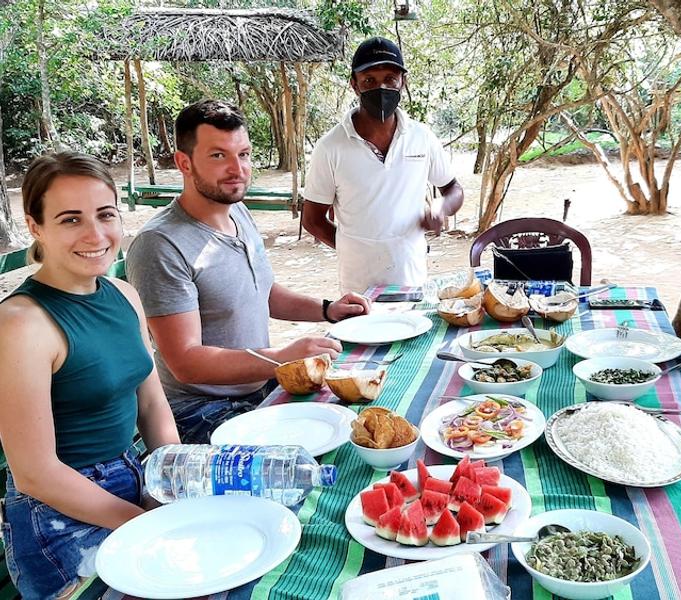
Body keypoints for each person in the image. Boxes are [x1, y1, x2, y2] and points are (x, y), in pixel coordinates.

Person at [125, 100, 370, 444]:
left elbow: (261, 292)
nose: (236, 169)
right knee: (312, 452)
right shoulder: (160, 244)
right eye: (217, 156)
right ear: (184, 163)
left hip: (258, 386)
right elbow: (186, 361)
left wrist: (327, 309)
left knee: (356, 417)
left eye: (243, 154)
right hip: (198, 409)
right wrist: (281, 359)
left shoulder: (236, 209)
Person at [0, 152, 180, 599]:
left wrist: (171, 479)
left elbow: (153, 404)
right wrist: (143, 521)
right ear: (35, 227)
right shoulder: (21, 324)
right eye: (70, 220)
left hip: (135, 475)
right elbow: (35, 474)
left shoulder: (123, 293)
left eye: (105, 215)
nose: (95, 235)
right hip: (58, 514)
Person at [302, 36, 465, 294]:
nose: (381, 88)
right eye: (369, 80)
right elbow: (312, 220)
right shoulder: (330, 147)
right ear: (354, 85)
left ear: (403, 82)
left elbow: (453, 189)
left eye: (390, 78)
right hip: (359, 290)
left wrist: (440, 207)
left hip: (413, 280)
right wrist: (352, 248)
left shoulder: (421, 138)